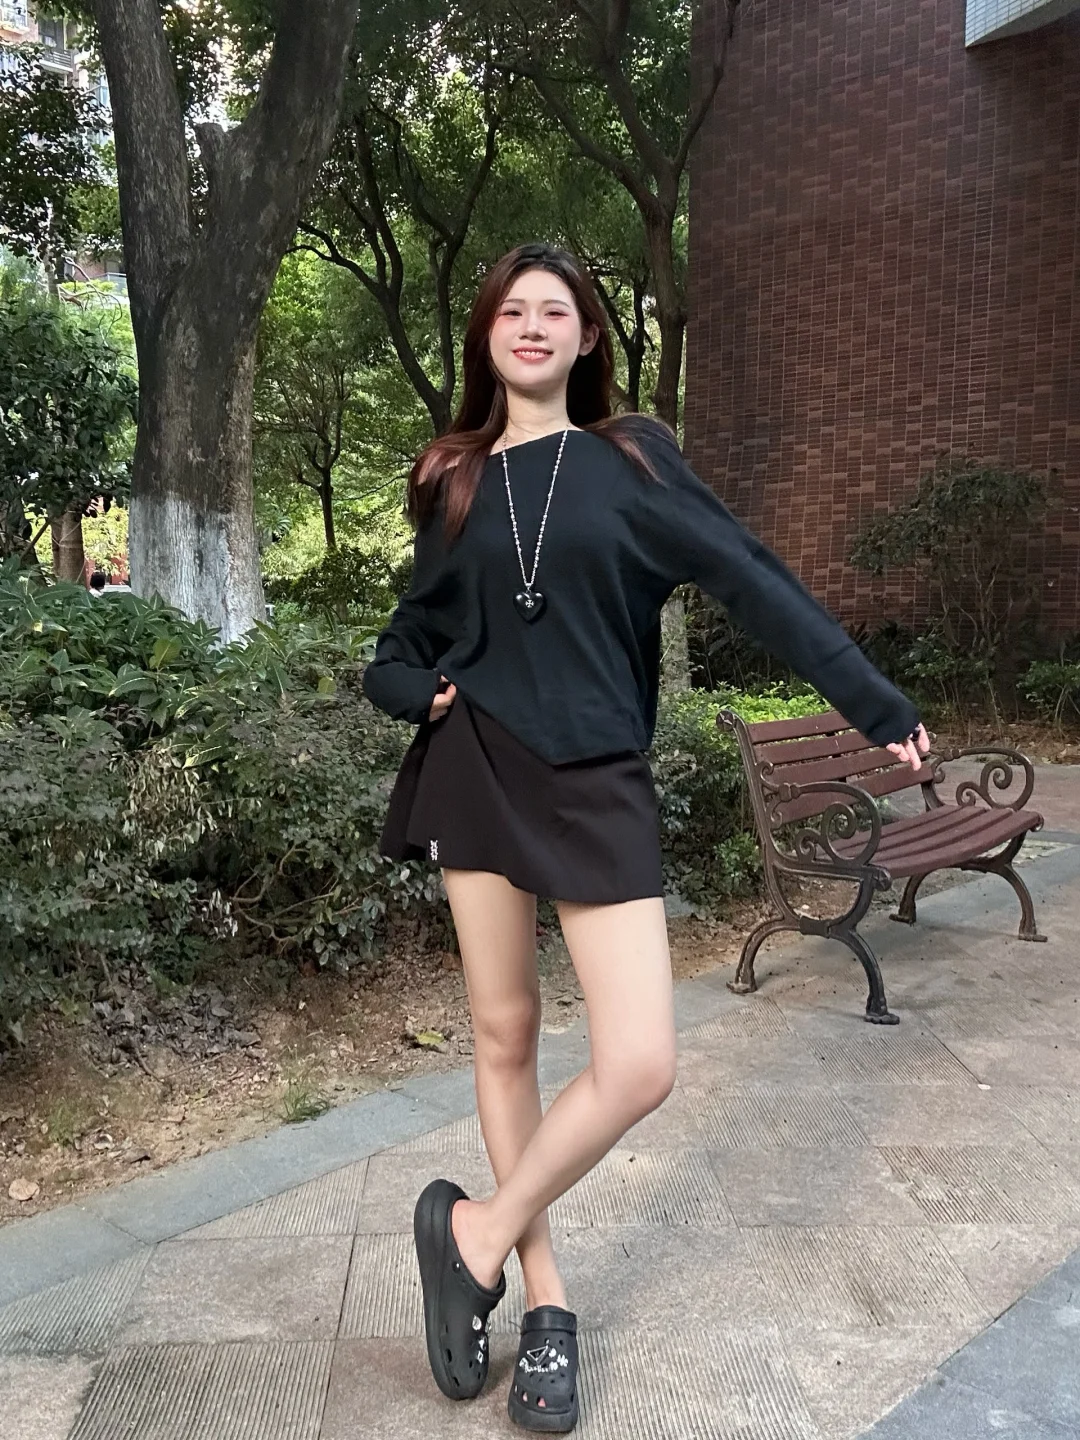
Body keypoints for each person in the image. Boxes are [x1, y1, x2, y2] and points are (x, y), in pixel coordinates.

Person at [362, 242, 930, 1433]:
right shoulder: (452, 476)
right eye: (512, 311)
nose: (531, 326)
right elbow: (404, 640)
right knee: (505, 1033)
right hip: (478, 767)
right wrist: (416, 691)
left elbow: (751, 576)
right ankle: (545, 1304)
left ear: (587, 337)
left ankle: (473, 1235)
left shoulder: (633, 458)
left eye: (554, 311)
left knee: (639, 1064)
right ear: (486, 337)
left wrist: (872, 702)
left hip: (598, 776)